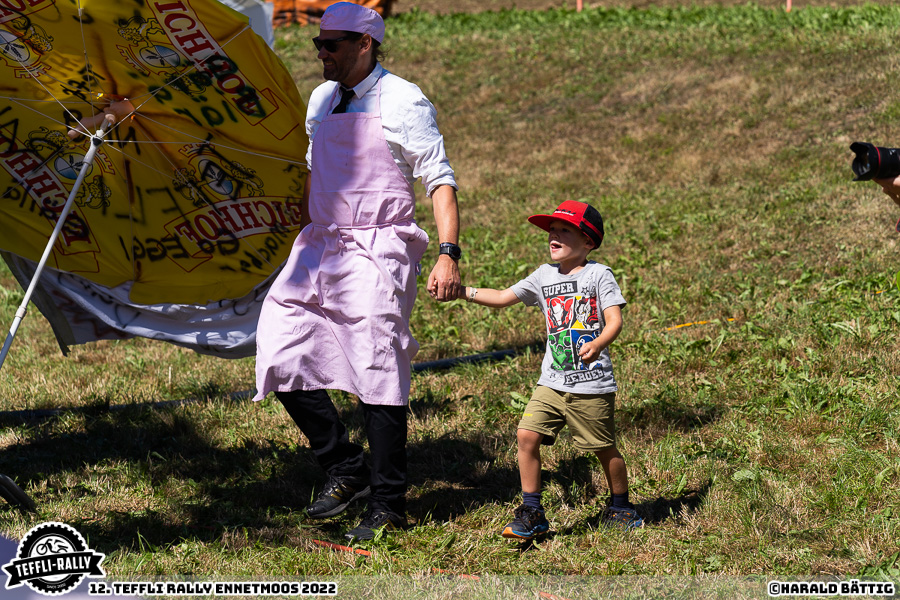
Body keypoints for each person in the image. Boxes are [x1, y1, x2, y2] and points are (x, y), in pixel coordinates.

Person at [254, 2, 462, 541]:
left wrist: (448, 252)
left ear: (364, 44)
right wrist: (299, 229)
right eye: (318, 43)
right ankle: (345, 466)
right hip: (320, 244)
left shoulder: (404, 99)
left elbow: (439, 179)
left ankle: (389, 502)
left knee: (377, 366)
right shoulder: (322, 99)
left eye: (332, 44)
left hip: (378, 246)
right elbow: (313, 168)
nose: (321, 53)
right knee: (279, 345)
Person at [453, 200, 643, 540]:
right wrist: (462, 291)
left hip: (591, 384)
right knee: (526, 435)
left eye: (564, 230)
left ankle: (621, 506)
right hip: (552, 381)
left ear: (588, 241)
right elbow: (502, 297)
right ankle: (533, 511)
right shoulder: (543, 275)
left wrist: (598, 343)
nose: (554, 235)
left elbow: (615, 320)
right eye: (552, 229)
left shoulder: (599, 275)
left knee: (603, 448)